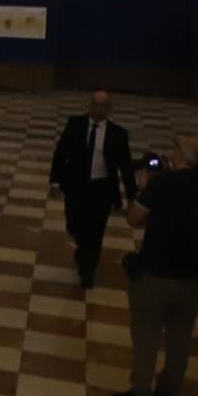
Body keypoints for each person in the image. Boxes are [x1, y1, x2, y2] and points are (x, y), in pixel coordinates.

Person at [114, 133, 198, 396]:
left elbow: (133, 218)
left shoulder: (162, 183)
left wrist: (142, 189)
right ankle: (169, 391)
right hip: (193, 277)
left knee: (146, 335)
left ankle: (141, 395)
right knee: (180, 337)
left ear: (178, 156)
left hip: (157, 273)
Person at [48, 90, 137, 289]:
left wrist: (132, 196)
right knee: (74, 224)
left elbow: (126, 166)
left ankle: (87, 271)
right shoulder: (75, 125)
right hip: (76, 185)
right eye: (94, 104)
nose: (97, 109)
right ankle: (83, 249)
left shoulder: (118, 134)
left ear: (109, 109)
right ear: (89, 105)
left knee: (95, 231)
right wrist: (55, 181)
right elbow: (61, 153)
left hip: (102, 189)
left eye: (102, 105)